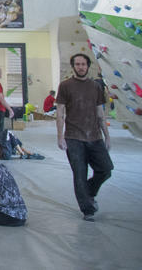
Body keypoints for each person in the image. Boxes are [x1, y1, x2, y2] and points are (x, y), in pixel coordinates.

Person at [56, 53, 112, 221]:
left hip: (94, 136)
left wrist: (107, 136)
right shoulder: (65, 86)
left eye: (83, 64)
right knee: (80, 174)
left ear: (88, 66)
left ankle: (88, 192)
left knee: (106, 169)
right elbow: (60, 113)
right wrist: (60, 136)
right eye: (77, 64)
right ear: (73, 66)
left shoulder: (96, 87)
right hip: (73, 137)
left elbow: (100, 113)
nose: (81, 67)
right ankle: (88, 209)